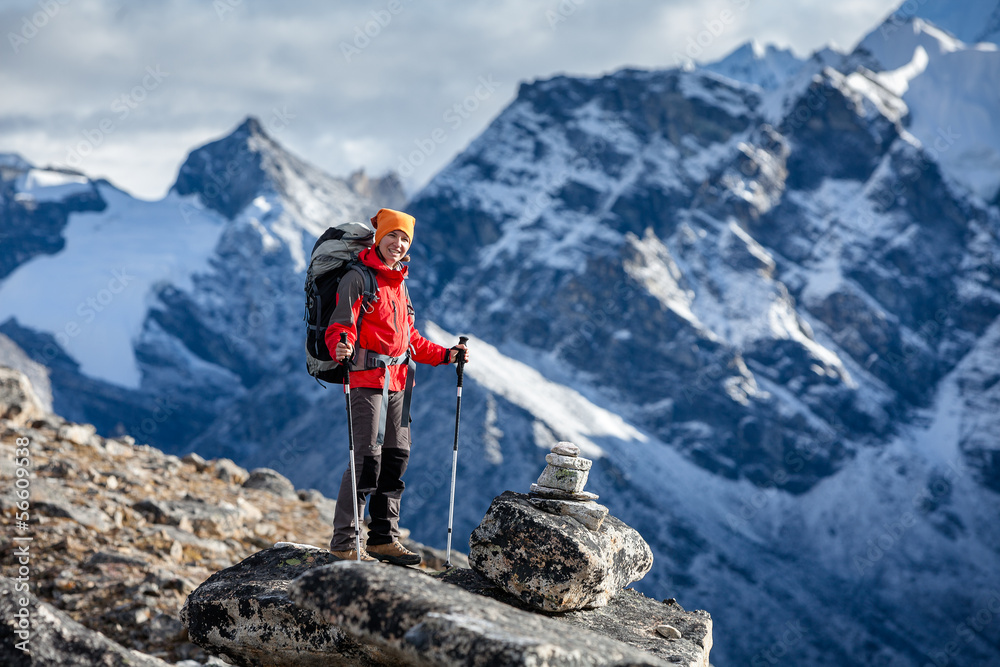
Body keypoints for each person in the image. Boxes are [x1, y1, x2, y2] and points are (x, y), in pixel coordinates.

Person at [326, 207, 469, 565]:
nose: (398, 243)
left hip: (400, 383)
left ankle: (383, 538)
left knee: (396, 459)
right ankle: (345, 542)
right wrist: (341, 343)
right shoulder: (359, 278)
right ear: (379, 237)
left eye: (405, 239)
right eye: (393, 236)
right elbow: (340, 325)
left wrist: (445, 355)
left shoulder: (399, 282)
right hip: (367, 381)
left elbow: (409, 340)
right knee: (366, 460)